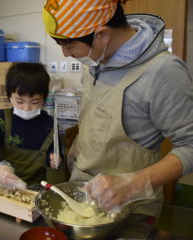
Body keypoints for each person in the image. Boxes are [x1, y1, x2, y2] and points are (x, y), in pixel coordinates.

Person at [42, 0, 193, 238]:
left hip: (130, 209)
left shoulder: (164, 72)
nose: (65, 53)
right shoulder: (94, 59)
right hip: (82, 190)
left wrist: (132, 183)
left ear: (102, 34)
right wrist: (78, 149)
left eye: (69, 44)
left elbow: (190, 146)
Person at [0, 62, 66, 190]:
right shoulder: (0, 119)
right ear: (9, 96)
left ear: (43, 98)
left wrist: (54, 157)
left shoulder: (49, 124)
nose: (27, 108)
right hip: (3, 188)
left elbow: (53, 149)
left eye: (35, 102)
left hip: (34, 190)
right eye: (20, 101)